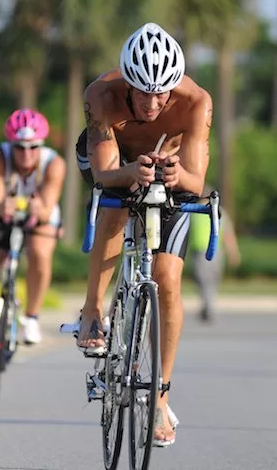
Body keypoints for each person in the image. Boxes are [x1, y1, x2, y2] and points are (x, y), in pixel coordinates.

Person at [75, 22, 213, 446]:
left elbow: (195, 180)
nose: (152, 103)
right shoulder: (101, 95)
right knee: (116, 202)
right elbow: (102, 171)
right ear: (127, 83)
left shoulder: (195, 102)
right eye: (142, 91)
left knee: (169, 280)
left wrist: (175, 174)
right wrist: (131, 172)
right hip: (113, 160)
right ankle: (93, 311)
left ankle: (159, 396)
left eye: (162, 93)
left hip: (167, 171)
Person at [0, 108, 66, 377]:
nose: (26, 154)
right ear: (11, 145)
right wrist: (11, 205)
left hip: (38, 217)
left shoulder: (54, 164)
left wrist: (36, 208)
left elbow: (46, 209)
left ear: (41, 145)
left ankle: (31, 318)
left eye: (33, 147)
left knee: (39, 254)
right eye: (19, 148)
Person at [189, 184, 241, 322]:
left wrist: (233, 253)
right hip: (203, 251)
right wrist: (233, 253)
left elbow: (228, 234)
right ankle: (208, 306)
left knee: (209, 280)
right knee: (205, 280)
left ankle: (208, 306)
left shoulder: (210, 212)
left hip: (211, 251)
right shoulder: (194, 213)